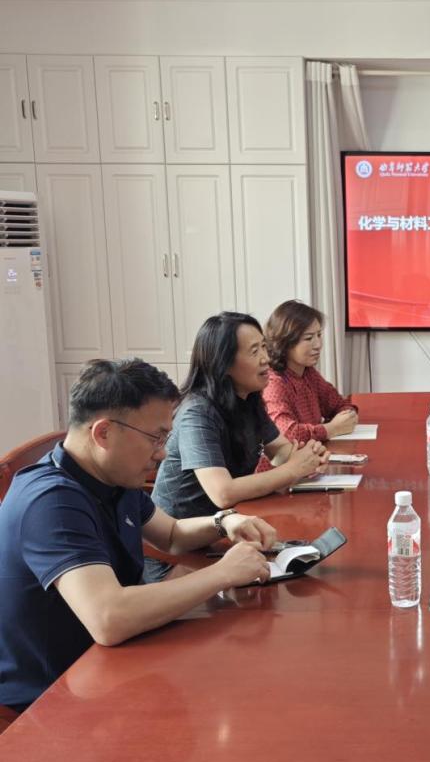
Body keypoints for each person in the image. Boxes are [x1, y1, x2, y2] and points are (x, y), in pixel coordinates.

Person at [0, 359, 276, 712]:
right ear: (103, 433)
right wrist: (223, 573)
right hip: (52, 700)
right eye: (155, 438)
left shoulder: (110, 475)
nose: (162, 452)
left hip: (109, 666)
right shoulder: (51, 501)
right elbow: (108, 618)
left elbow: (172, 534)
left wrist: (224, 522)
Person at [149, 312, 328, 580]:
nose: (266, 358)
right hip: (179, 549)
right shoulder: (197, 412)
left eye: (264, 347)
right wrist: (293, 470)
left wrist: (307, 458)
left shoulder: (248, 399)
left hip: (227, 532)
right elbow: (222, 493)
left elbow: (280, 451)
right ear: (224, 364)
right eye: (255, 351)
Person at [262, 300, 358, 443]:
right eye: (308, 338)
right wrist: (332, 429)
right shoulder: (273, 382)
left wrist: (347, 416)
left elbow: (339, 404)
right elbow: (287, 433)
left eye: (319, 335)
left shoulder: (308, 373)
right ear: (285, 342)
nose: (318, 345)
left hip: (314, 453)